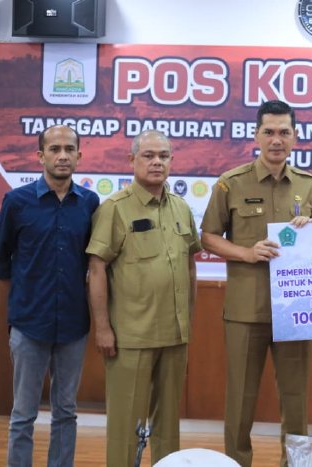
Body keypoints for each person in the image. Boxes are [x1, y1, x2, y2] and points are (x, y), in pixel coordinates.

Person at [200, 100, 312, 467]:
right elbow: (208, 237)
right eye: (269, 132)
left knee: (296, 399)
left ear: (295, 137)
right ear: (256, 135)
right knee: (240, 399)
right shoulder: (231, 183)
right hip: (246, 309)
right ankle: (236, 462)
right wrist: (246, 252)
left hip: (295, 311)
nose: (276, 140)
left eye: (284, 132)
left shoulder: (308, 185)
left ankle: (295, 463)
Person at [86, 130, 201, 466]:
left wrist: (188, 320)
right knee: (125, 425)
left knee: (169, 425)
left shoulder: (181, 207)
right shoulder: (115, 209)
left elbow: (189, 265)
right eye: (148, 155)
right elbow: (96, 269)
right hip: (131, 336)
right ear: (132, 160)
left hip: (174, 335)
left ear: (171, 161)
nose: (156, 162)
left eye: (163, 156)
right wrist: (102, 328)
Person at [0, 124, 100, 467]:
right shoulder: (16, 202)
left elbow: (94, 262)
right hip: (29, 325)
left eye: (69, 149)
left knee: (66, 412)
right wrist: (27, 297)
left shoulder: (90, 203)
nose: (62, 155)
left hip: (73, 325)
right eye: (54, 149)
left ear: (79, 156)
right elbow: (1, 261)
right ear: (40, 156)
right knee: (23, 414)